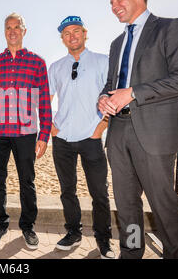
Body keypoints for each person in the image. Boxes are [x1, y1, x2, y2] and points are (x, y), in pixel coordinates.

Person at [98, 0, 178, 259]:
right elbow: (111, 84)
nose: (114, 6)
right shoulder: (117, 43)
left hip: (155, 132)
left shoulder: (170, 28)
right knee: (127, 206)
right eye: (111, 2)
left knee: (163, 205)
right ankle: (131, 254)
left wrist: (133, 93)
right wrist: (103, 98)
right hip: (118, 134)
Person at [48, 16, 114, 258]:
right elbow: (45, 100)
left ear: (85, 33)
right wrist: (52, 127)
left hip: (92, 137)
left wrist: (102, 125)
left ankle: (104, 240)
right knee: (68, 190)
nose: (72, 35)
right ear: (62, 38)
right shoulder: (56, 67)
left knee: (99, 192)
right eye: (66, 33)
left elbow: (114, 95)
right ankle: (73, 232)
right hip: (62, 139)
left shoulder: (102, 61)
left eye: (76, 31)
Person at [0, 13, 52, 249]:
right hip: (0, 133)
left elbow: (44, 101)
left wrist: (44, 135)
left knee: (27, 181)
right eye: (8, 27)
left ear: (25, 30)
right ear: (4, 32)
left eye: (17, 27)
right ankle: (0, 225)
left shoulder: (37, 62)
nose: (12, 31)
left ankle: (28, 226)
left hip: (26, 133)